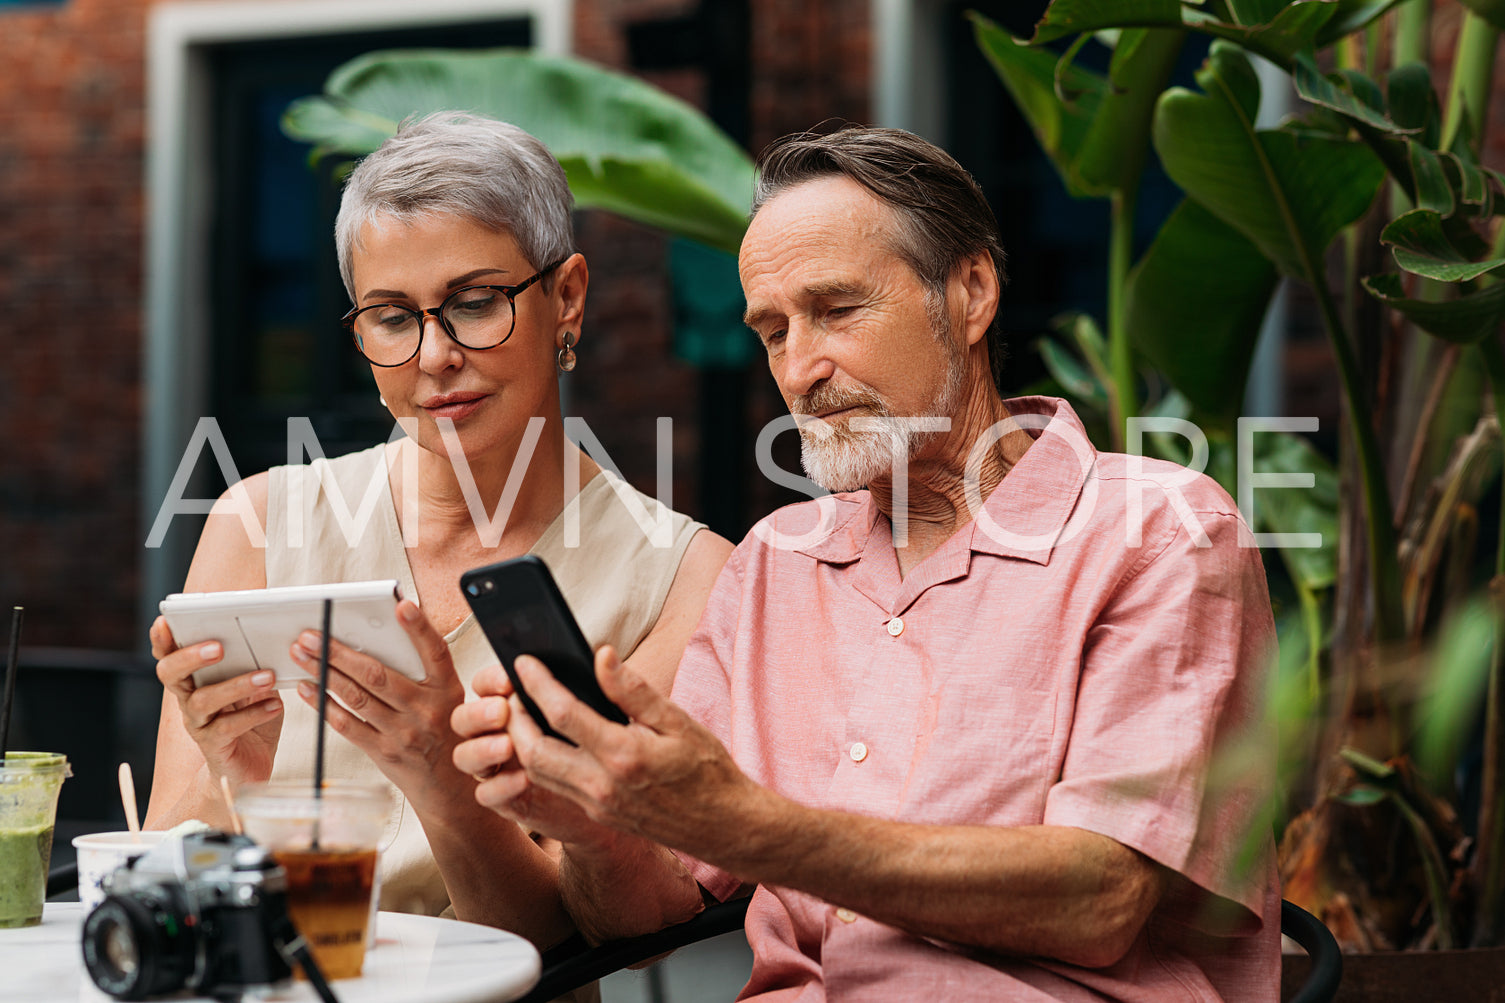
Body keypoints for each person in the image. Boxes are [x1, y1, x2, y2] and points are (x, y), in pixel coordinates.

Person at [453, 125, 1280, 999]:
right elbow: (652, 916)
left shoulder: (1158, 530)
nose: (799, 369)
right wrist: (589, 823)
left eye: (836, 310)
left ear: (969, 291)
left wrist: (749, 826)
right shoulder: (776, 562)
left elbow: (1100, 898)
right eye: (771, 331)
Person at [143, 112, 733, 947]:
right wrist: (235, 778)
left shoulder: (689, 577)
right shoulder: (260, 523)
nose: (433, 356)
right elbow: (173, 856)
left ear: (566, 297)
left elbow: (583, 933)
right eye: (391, 316)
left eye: (474, 303)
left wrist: (438, 775)